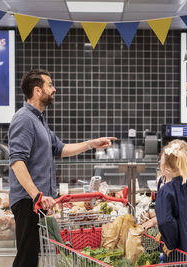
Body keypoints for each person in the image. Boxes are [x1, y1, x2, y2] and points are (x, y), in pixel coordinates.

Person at [8, 69, 116, 267]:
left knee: (32, 254)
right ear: (38, 91)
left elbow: (60, 149)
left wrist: (92, 143)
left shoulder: (39, 120)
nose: (54, 89)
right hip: (28, 201)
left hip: (38, 202)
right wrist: (36, 195)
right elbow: (17, 161)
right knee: (27, 256)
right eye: (50, 85)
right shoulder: (24, 119)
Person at [155, 139, 187, 266]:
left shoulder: (166, 190)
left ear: (166, 165)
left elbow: (165, 221)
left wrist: (170, 243)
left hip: (178, 252)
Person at [141, 140, 187, 230]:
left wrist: (153, 221)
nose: (161, 167)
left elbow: (176, 216)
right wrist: (148, 214)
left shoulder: (184, 186)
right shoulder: (162, 180)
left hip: (176, 236)